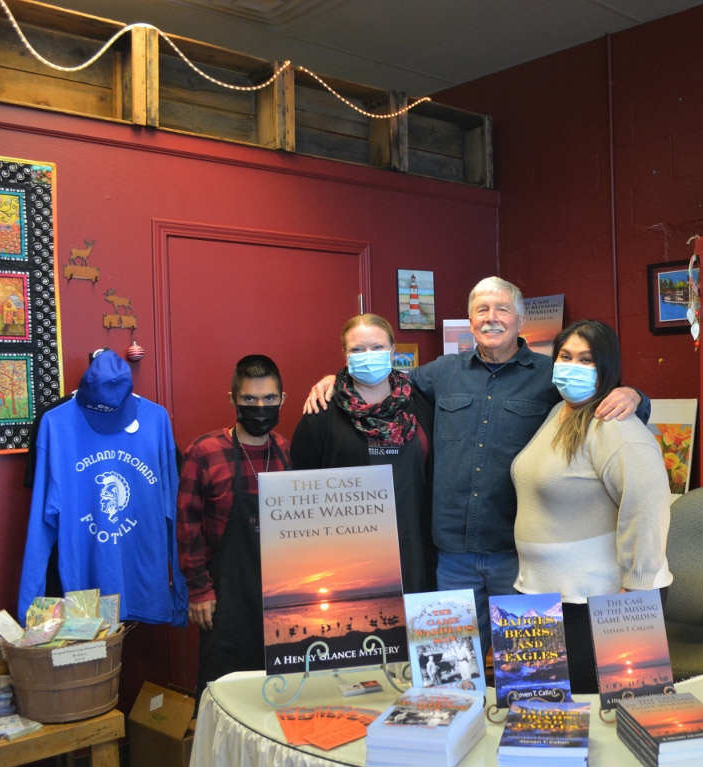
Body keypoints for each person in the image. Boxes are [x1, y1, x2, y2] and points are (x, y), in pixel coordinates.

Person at [303, 277, 648, 648]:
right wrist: (333, 381)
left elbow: (598, 393)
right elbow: (382, 383)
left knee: (528, 670)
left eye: (502, 309)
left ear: (521, 320)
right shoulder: (440, 372)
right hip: (450, 556)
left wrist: (635, 395)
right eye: (481, 310)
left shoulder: (552, 375)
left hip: (517, 556)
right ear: (470, 321)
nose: (491, 318)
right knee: (449, 669)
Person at [511, 319, 673, 694]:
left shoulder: (616, 426)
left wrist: (638, 588)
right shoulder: (560, 412)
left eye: (586, 360)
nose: (573, 366)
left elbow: (647, 505)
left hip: (602, 600)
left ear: (606, 368)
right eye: (566, 356)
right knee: (545, 719)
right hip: (544, 596)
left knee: (608, 716)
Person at [291, 313, 436, 594]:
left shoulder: (422, 404)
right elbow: (301, 488)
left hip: (415, 549)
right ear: (345, 355)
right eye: (357, 349)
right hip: (348, 559)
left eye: (378, 347)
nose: (368, 355)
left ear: (393, 350)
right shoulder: (322, 411)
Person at [177, 355, 290, 702]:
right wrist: (198, 590)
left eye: (269, 399)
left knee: (278, 696)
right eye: (250, 400)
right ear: (233, 400)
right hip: (225, 598)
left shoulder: (285, 450)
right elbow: (186, 524)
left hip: (281, 596)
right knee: (226, 698)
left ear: (282, 400)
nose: (260, 408)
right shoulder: (205, 451)